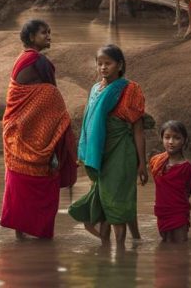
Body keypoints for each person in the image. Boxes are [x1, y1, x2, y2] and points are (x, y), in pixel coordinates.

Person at [0, 19, 77, 240]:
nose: (49, 36)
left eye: (49, 32)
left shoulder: (22, 59)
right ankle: (42, 242)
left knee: (19, 191)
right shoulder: (38, 61)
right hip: (33, 136)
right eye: (44, 33)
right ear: (32, 37)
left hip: (16, 134)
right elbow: (51, 97)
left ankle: (20, 239)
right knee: (42, 189)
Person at [69, 45, 147, 246]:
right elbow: (89, 124)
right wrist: (84, 154)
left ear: (119, 65)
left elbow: (137, 129)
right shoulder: (95, 89)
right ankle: (107, 253)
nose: (103, 67)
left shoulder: (131, 89)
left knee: (117, 200)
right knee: (105, 202)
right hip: (100, 154)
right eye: (99, 63)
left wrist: (142, 163)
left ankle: (121, 253)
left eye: (108, 63)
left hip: (121, 153)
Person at [150, 120, 191, 243]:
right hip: (162, 212)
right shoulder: (156, 161)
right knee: (166, 245)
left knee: (181, 247)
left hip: (179, 213)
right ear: (162, 138)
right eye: (167, 137)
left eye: (176, 138)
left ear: (184, 140)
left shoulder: (186, 167)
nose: (171, 142)